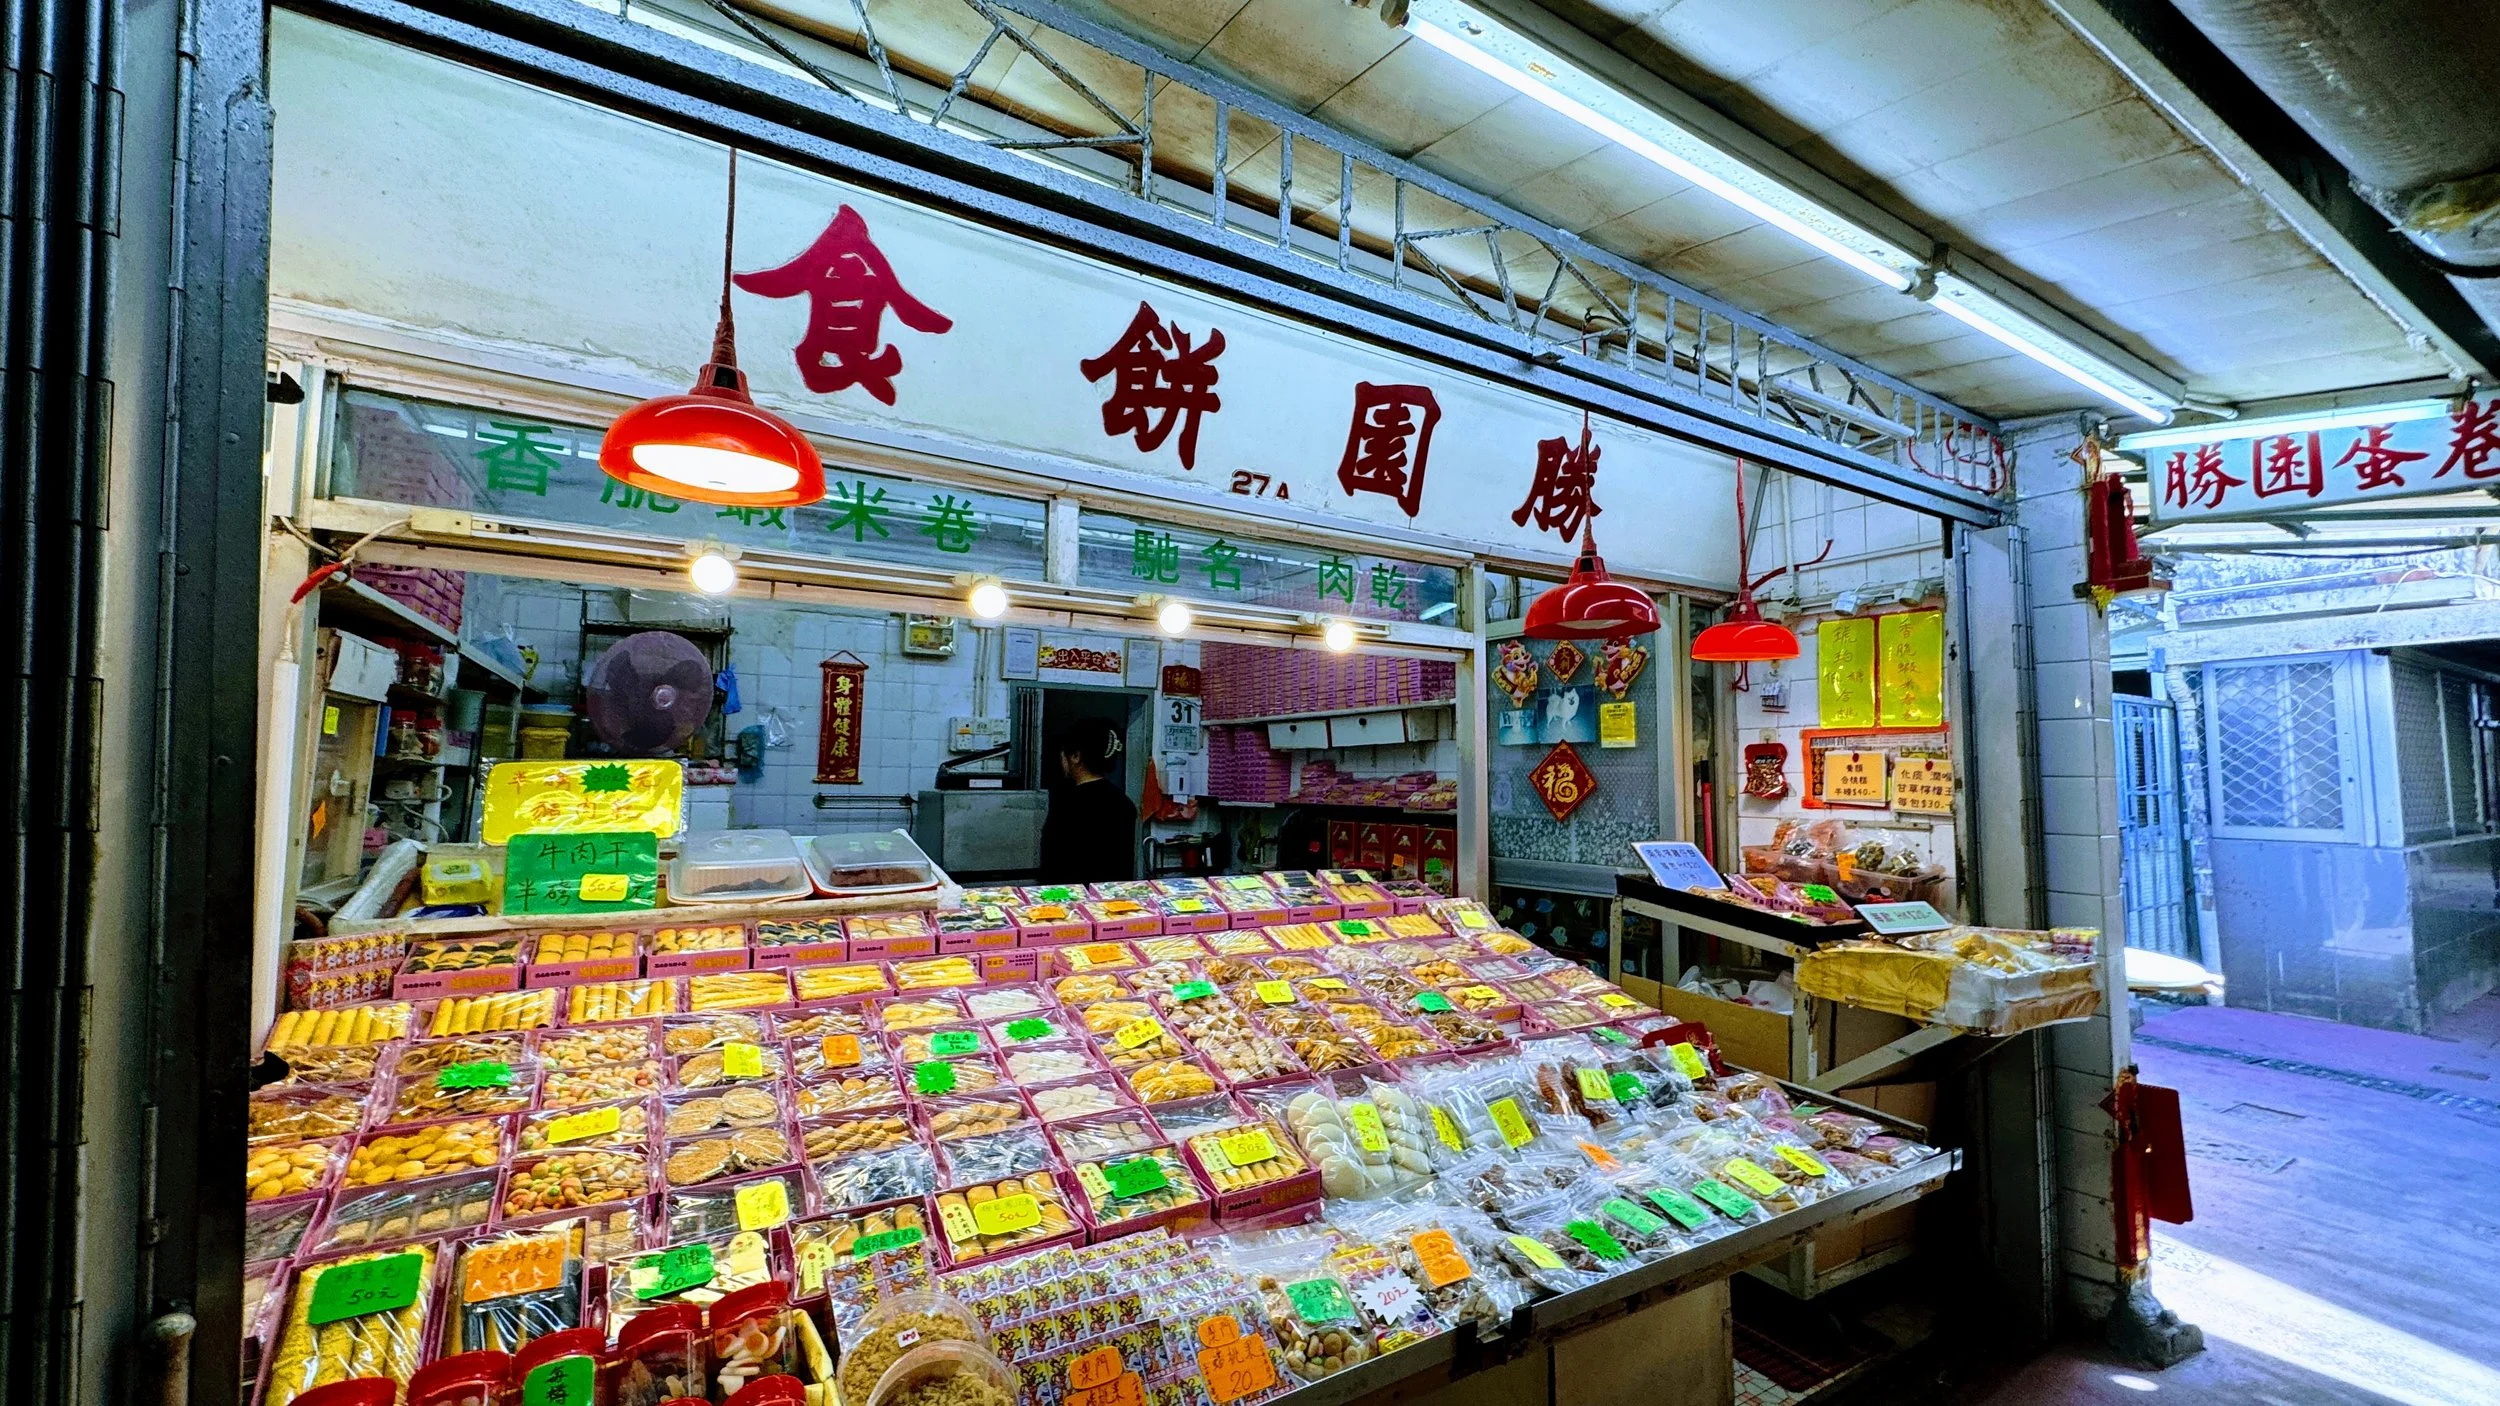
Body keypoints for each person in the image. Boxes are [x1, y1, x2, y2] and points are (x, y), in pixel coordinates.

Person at [1037, 717, 1138, 883]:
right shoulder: (1124, 802)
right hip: (1108, 899)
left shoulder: (1067, 804)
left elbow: (1053, 863)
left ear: (1076, 756)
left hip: (1071, 900)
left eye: (1064, 754)